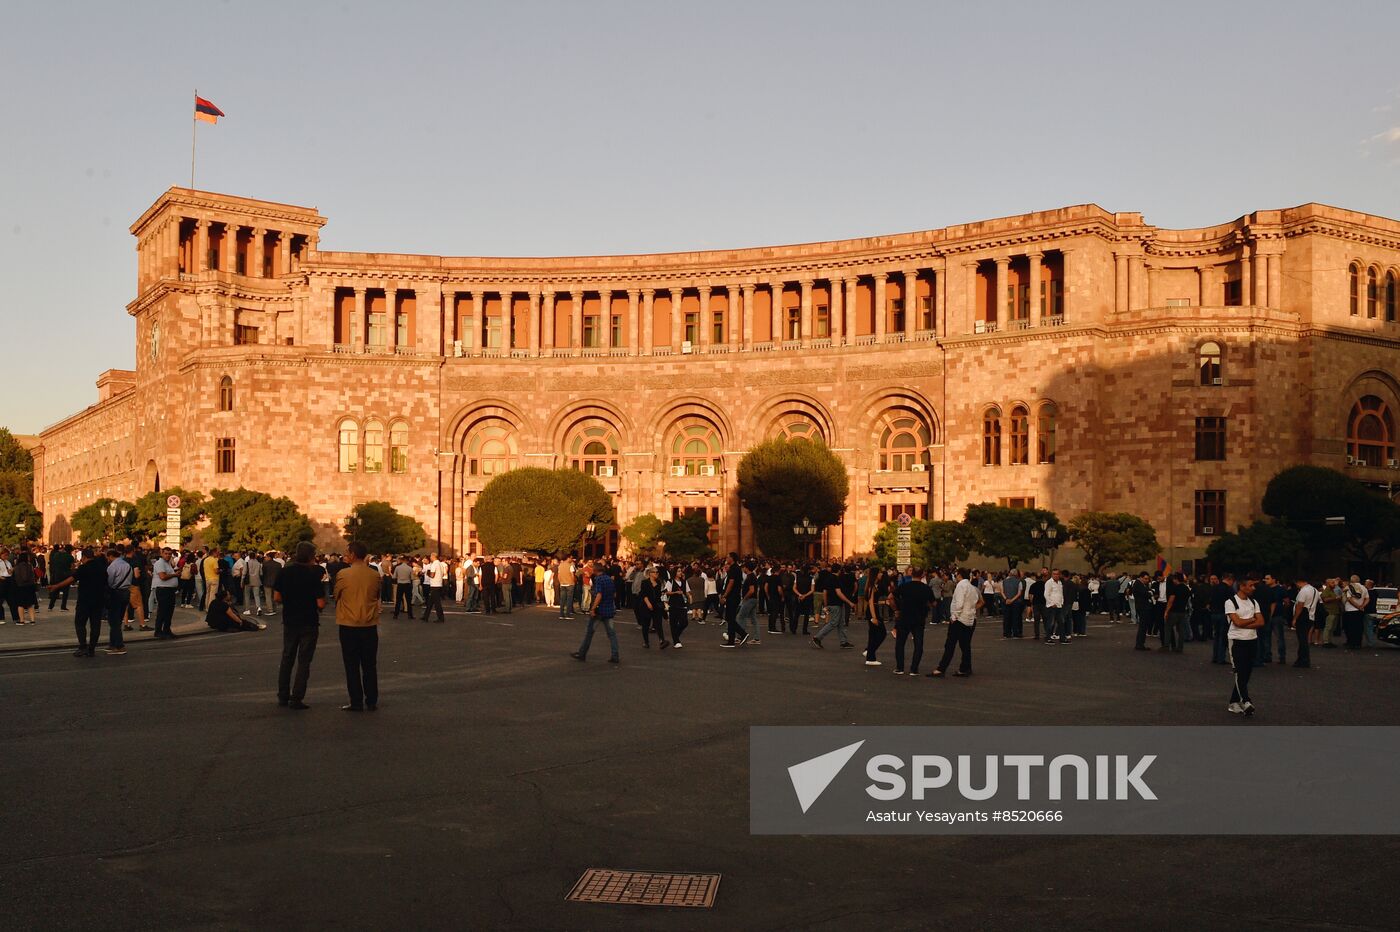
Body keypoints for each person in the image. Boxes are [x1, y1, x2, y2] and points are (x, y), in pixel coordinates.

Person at [274, 541, 326, 710]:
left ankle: (283, 695)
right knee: (304, 661)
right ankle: (296, 698)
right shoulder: (313, 575)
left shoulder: (285, 573)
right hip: (309, 621)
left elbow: (277, 598)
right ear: (311, 556)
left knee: (287, 657)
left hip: (290, 620)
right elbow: (320, 603)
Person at [333, 542, 381, 711]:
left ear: (352, 555)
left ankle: (356, 701)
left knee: (351, 665)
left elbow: (336, 594)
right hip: (369, 624)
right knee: (369, 665)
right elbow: (377, 595)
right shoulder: (374, 575)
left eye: (347, 553)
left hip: (348, 624)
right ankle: (372, 699)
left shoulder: (343, 574)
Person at [48, 548, 109, 656]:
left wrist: (56, 586)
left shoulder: (83, 568)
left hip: (84, 600)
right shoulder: (101, 568)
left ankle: (83, 646)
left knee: (80, 623)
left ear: (84, 557)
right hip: (98, 600)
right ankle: (92, 648)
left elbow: (71, 579)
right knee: (95, 625)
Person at [931, 568, 980, 677]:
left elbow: (959, 603)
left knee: (950, 644)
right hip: (969, 619)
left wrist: (954, 616)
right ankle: (965, 668)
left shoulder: (961, 586)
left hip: (959, 619)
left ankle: (941, 668)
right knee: (965, 645)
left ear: (959, 575)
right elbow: (975, 601)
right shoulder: (972, 587)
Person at [1225, 578, 1264, 715]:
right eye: (1251, 585)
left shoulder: (1254, 602)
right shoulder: (1231, 602)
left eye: (1254, 585)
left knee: (1246, 673)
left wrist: (1247, 622)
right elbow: (1237, 623)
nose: (1253, 588)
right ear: (1242, 586)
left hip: (1252, 639)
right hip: (1237, 640)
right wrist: (1252, 619)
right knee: (1239, 672)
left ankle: (1233, 702)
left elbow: (1261, 622)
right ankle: (1246, 700)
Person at [571, 561, 620, 664]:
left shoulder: (598, 579)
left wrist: (593, 608)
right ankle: (615, 655)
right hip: (609, 609)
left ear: (595, 570)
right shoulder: (609, 579)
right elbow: (614, 594)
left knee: (590, 632)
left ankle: (582, 653)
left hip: (599, 610)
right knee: (611, 634)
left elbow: (599, 595)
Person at [892, 567, 933, 675]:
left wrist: (897, 609)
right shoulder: (926, 588)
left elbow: (891, 597)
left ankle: (900, 667)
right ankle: (914, 669)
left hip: (904, 617)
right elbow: (933, 603)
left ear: (912, 574)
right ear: (922, 575)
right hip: (919, 618)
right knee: (918, 644)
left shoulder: (904, 586)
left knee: (900, 643)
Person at [150, 547, 180, 639]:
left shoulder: (167, 563)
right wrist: (175, 575)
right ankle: (158, 631)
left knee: (169, 612)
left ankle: (167, 630)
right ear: (162, 554)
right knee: (162, 611)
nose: (168, 555)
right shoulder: (160, 563)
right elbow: (162, 576)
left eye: (169, 554)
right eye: (166, 553)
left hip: (169, 590)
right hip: (163, 590)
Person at [1291, 576, 1319, 669]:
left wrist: (1295, 618)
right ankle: (1303, 659)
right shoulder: (1314, 590)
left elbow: (1300, 605)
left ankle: (1303, 660)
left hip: (1303, 615)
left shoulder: (1303, 591)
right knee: (1304, 638)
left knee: (1302, 639)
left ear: (1299, 582)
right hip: (1311, 615)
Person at [423, 552, 447, 623]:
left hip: (434, 585)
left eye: (430, 556)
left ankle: (441, 618)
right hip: (439, 584)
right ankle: (425, 616)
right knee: (430, 602)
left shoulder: (434, 564)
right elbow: (442, 574)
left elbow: (432, 575)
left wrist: (428, 574)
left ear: (433, 556)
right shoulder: (440, 564)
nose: (430, 558)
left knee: (437, 603)